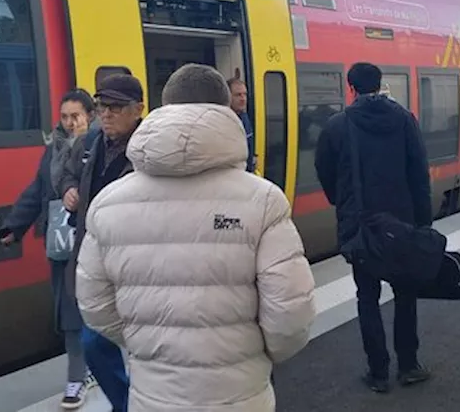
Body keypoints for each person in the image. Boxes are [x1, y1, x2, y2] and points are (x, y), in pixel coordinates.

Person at [75, 64, 315, 411]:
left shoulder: (108, 203)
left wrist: (150, 343)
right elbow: (291, 314)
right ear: (225, 110)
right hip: (240, 396)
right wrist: (255, 353)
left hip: (152, 397)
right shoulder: (264, 200)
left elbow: (95, 305)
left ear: (164, 106)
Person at [314, 62, 432, 394]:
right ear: (381, 85)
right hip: (403, 226)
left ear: (350, 88)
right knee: (406, 295)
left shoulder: (337, 126)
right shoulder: (405, 120)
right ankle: (409, 366)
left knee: (367, 297)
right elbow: (419, 175)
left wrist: (343, 201)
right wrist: (423, 223)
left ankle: (378, 372)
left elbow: (324, 168)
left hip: (361, 228)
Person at [2, 90, 96, 409]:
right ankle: (81, 374)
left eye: (76, 116)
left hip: (94, 241)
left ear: (90, 116)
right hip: (60, 241)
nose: (69, 123)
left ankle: (86, 371)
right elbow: (37, 190)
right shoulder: (52, 150)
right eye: (65, 116)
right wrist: (14, 226)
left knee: (91, 307)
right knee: (70, 309)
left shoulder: (100, 146)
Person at [60, 74, 144, 412]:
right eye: (101, 106)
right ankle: (126, 404)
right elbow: (64, 172)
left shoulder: (150, 149)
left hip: (136, 261)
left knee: (142, 347)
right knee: (93, 342)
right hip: (95, 259)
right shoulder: (89, 143)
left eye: (116, 107)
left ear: (138, 109)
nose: (106, 114)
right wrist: (68, 188)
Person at [229, 77, 257, 173]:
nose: (243, 99)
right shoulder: (222, 120)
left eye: (245, 94)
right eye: (238, 95)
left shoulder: (244, 117)